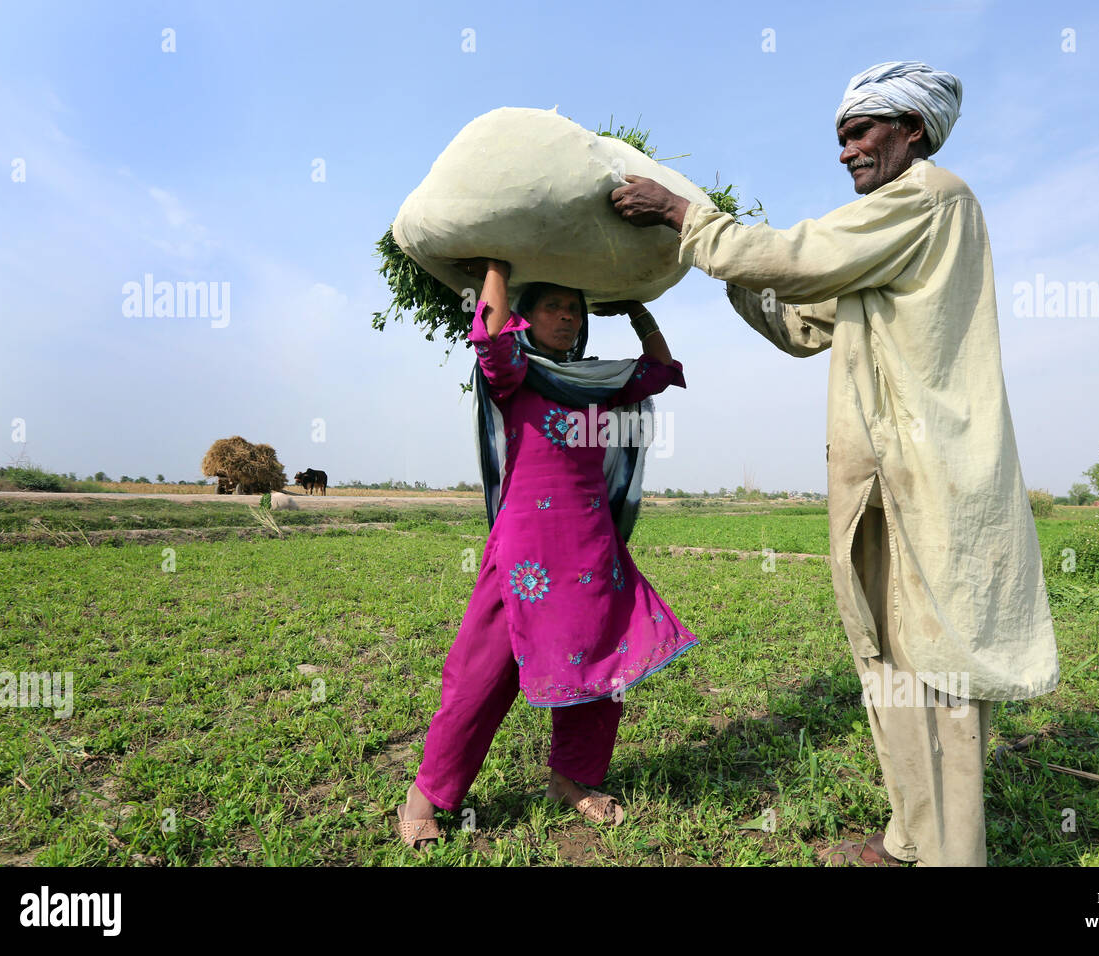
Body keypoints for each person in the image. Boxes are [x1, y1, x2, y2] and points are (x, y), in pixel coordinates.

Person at [610, 61, 1059, 866]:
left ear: (911, 130)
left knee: (940, 667)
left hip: (936, 485)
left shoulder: (928, 199)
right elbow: (798, 319)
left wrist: (688, 214)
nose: (847, 151)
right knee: (886, 658)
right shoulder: (878, 244)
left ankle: (955, 855)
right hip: (881, 484)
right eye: (842, 137)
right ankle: (911, 837)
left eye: (861, 132)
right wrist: (716, 265)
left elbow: (795, 256)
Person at [395, 257, 698, 848]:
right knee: (480, 673)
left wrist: (635, 308)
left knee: (600, 668)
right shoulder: (514, 376)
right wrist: (498, 262)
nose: (567, 315)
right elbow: (487, 336)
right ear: (526, 319)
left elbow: (660, 369)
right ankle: (428, 794)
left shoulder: (598, 383)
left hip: (592, 550)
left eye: (576, 308)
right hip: (524, 554)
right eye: (553, 306)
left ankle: (572, 780)